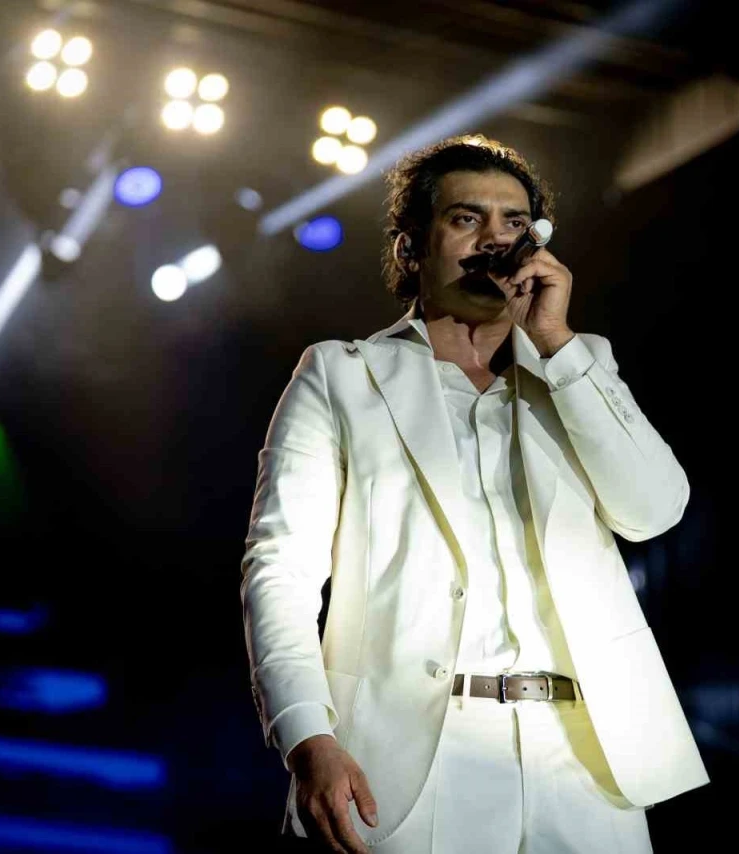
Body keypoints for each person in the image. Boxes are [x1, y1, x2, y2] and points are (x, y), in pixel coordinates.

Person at [241, 134, 708, 853]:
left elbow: (653, 512)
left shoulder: (577, 368)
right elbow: (280, 570)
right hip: (413, 762)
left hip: (585, 764)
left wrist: (556, 342)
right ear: (410, 248)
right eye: (467, 218)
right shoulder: (341, 375)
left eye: (514, 222)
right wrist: (307, 735)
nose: (495, 239)